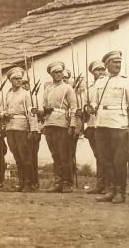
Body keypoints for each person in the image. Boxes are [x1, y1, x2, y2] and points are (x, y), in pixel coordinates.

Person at [90, 50, 129, 204]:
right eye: (114, 62)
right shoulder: (100, 82)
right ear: (107, 64)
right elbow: (94, 102)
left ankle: (120, 192)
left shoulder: (126, 82)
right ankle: (110, 190)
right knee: (105, 159)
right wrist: (91, 106)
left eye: (119, 62)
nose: (118, 65)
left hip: (119, 124)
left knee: (119, 160)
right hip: (101, 124)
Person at [38, 62, 78, 193]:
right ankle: (58, 182)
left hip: (62, 124)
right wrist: (42, 113)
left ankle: (67, 183)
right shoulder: (48, 89)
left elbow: (74, 108)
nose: (59, 74)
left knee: (64, 155)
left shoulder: (68, 88)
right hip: (49, 124)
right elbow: (43, 107)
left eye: (61, 72)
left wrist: (72, 125)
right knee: (55, 155)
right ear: (51, 74)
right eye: (56, 72)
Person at [2, 67, 37, 192]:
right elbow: (4, 109)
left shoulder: (26, 94)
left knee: (25, 156)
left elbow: (32, 113)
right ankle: (21, 182)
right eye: (15, 79)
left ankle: (29, 183)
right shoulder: (8, 94)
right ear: (10, 80)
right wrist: (4, 115)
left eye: (20, 79)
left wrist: (33, 129)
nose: (18, 81)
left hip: (22, 127)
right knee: (16, 155)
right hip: (10, 127)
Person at [84, 61, 107, 194]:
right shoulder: (90, 88)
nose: (100, 72)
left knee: (105, 155)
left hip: (103, 124)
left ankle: (108, 184)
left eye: (102, 69)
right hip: (92, 124)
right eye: (97, 70)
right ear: (92, 72)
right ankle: (100, 184)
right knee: (98, 154)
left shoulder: (107, 85)